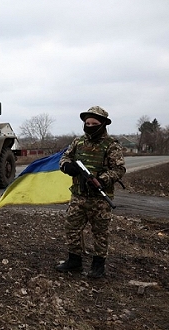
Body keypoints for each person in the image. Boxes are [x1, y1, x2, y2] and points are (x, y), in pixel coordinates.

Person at [56, 106, 126, 278]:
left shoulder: (111, 145)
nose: (90, 125)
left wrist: (102, 180)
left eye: (94, 123)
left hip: (100, 200)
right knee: (71, 228)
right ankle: (74, 261)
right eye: (87, 123)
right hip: (78, 196)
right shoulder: (78, 142)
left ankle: (98, 266)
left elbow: (119, 169)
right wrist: (67, 166)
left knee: (100, 233)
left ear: (103, 124)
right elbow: (65, 157)